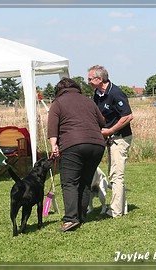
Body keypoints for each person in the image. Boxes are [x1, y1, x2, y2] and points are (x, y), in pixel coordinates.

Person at [47, 77, 106, 232]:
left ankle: (71, 219)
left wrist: (54, 146)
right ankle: (80, 215)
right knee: (85, 181)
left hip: (73, 144)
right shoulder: (88, 101)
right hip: (97, 145)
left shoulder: (58, 103)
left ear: (58, 90)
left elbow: (52, 128)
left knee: (69, 182)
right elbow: (102, 122)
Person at [88, 65, 134, 218]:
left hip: (120, 138)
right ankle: (122, 207)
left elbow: (127, 116)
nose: (87, 82)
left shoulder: (116, 93)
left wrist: (110, 131)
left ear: (99, 79)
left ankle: (115, 211)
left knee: (116, 175)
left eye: (90, 79)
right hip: (110, 139)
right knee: (114, 173)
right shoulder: (97, 94)